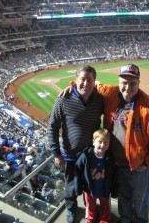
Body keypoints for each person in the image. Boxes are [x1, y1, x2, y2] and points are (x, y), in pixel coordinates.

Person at [97, 64, 149, 223]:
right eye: (124, 82)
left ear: (138, 83)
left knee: (139, 203)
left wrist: (146, 163)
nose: (127, 87)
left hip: (138, 168)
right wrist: (72, 87)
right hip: (117, 165)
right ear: (118, 81)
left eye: (132, 83)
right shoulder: (111, 94)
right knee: (123, 199)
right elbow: (92, 84)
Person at [47, 65, 104, 223]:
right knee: (71, 187)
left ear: (94, 82)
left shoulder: (99, 100)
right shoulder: (63, 99)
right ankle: (71, 209)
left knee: (90, 186)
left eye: (89, 80)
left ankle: (89, 209)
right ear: (76, 81)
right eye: (82, 80)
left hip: (90, 155)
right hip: (70, 155)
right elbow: (52, 126)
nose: (86, 83)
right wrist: (56, 153)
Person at [75, 128, 114, 223]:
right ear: (93, 142)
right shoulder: (86, 156)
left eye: (106, 142)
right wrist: (78, 187)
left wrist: (113, 189)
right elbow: (77, 170)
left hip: (104, 188)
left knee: (105, 206)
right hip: (89, 189)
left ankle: (104, 219)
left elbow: (113, 175)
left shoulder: (109, 157)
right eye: (99, 142)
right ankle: (91, 218)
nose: (102, 145)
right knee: (90, 206)